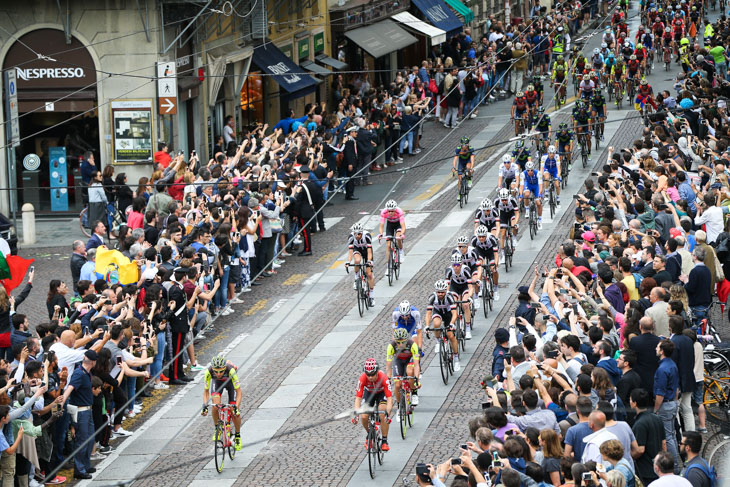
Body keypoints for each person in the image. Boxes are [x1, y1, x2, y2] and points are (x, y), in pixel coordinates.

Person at [59, 350, 98, 480]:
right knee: (82, 440)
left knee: (90, 438)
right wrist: (62, 402)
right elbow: (70, 388)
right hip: (81, 412)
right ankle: (79, 469)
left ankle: (85, 465)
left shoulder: (85, 373)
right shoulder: (79, 374)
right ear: (93, 362)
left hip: (87, 410)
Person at [201, 354, 242, 451]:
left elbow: (239, 391)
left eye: (221, 371)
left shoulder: (231, 370)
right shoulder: (208, 372)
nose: (218, 374)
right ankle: (217, 428)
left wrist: (236, 407)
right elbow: (206, 391)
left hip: (230, 384)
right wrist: (205, 405)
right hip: (217, 384)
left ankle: (237, 435)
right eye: (216, 372)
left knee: (234, 411)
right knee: (215, 406)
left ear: (225, 368)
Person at [353, 359, 393, 452]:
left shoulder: (383, 378)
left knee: (382, 412)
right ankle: (369, 434)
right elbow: (358, 398)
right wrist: (356, 414)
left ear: (377, 372)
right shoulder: (362, 378)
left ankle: (384, 441)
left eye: (372, 375)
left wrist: (388, 413)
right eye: (368, 375)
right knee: (364, 416)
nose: (370, 377)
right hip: (369, 393)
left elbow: (390, 398)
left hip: (381, 393)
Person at [631, 388, 666, 486]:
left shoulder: (640, 424)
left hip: (645, 470)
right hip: (658, 466)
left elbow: (640, 450)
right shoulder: (657, 418)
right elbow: (664, 443)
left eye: (630, 399)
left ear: (635, 403)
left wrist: (629, 457)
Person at [385, 328, 421, 409]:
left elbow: (416, 364)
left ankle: (414, 392)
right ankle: (399, 407)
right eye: (398, 342)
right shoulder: (391, 346)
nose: (400, 345)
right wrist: (388, 378)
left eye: (403, 342)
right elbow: (389, 365)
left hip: (410, 360)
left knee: (410, 371)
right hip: (399, 361)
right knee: (397, 385)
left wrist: (416, 378)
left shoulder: (412, 344)